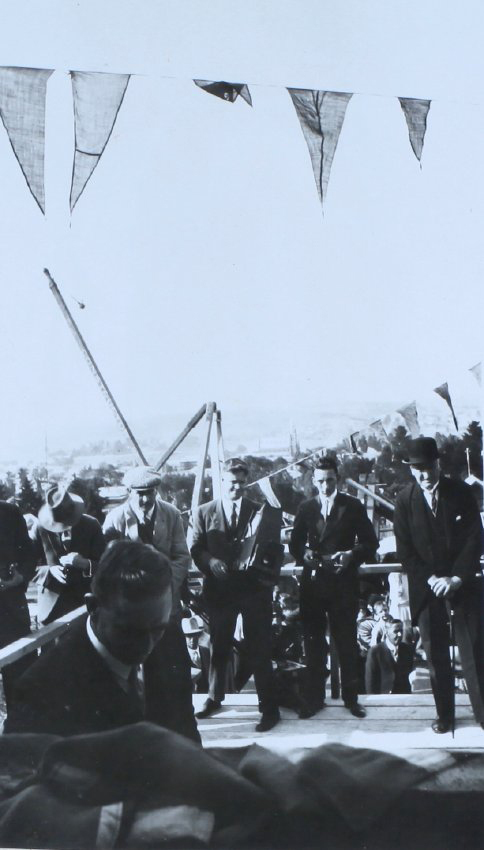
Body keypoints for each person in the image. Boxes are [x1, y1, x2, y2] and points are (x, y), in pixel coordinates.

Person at [5, 540, 200, 742]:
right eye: (130, 630)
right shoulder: (41, 691)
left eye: (157, 629)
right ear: (92, 605)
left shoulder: (170, 638)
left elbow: (187, 733)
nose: (146, 645)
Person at [394, 436, 484, 733]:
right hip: (428, 587)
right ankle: (445, 715)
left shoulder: (459, 492)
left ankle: (482, 713)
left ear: (438, 464)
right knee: (436, 656)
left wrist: (456, 578)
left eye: (427, 467)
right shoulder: (404, 500)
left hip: (462, 584)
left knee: (474, 649)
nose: (423, 474)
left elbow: (475, 538)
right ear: (410, 470)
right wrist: (433, 579)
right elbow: (406, 551)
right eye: (416, 468)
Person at [103, 466, 197, 737]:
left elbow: (182, 556)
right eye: (139, 494)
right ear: (129, 493)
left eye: (150, 493)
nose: (145, 500)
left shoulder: (171, 514)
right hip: (133, 612)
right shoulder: (115, 518)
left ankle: (184, 734)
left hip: (168, 608)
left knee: (175, 672)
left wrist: (164, 584)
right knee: (139, 675)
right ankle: (146, 736)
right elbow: (109, 565)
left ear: (157, 490)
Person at [191, 457, 282, 732]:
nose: (237, 488)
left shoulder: (258, 510)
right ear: (221, 482)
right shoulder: (203, 512)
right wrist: (210, 561)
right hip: (220, 590)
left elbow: (270, 545)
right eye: (232, 483)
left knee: (259, 648)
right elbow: (195, 547)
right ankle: (214, 698)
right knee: (218, 646)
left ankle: (269, 709)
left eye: (242, 483)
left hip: (253, 590)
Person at [290, 455, 378, 718]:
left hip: (343, 585)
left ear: (337, 479)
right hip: (314, 586)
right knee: (313, 644)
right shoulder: (306, 508)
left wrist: (351, 554)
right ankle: (315, 699)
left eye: (330, 480)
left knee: (347, 643)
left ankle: (352, 700)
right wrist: (304, 553)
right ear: (313, 482)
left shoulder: (352, 506)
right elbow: (294, 544)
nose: (325, 486)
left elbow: (370, 543)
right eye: (320, 481)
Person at [32, 485, 105, 624]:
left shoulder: (91, 525)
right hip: (51, 608)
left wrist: (85, 564)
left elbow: (105, 566)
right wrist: (49, 571)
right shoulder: (41, 527)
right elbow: (29, 564)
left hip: (84, 605)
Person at [0, 500, 36, 710]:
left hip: (10, 610)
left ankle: (19, 734)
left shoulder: (8, 512)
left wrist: (20, 578)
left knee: (20, 678)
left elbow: (29, 554)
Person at [365, 619, 415, 694]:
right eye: (396, 631)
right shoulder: (375, 652)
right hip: (383, 698)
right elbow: (370, 681)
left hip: (404, 697)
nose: (400, 634)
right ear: (386, 632)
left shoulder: (407, 649)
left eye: (401, 631)